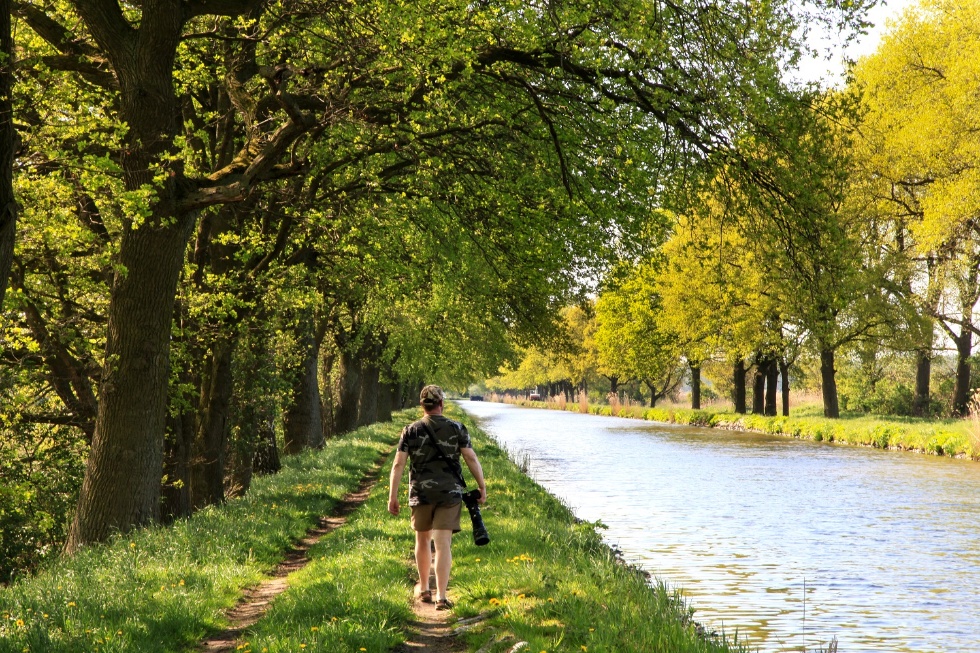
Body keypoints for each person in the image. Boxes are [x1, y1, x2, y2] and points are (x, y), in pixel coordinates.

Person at [388, 385, 487, 610]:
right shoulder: (456, 428)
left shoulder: (410, 430)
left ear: (423, 405)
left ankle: (424, 589)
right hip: (449, 494)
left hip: (420, 494)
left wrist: (392, 496)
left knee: (422, 541)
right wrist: (481, 486)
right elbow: (471, 458)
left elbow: (398, 464)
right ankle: (441, 597)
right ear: (441, 403)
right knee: (443, 544)